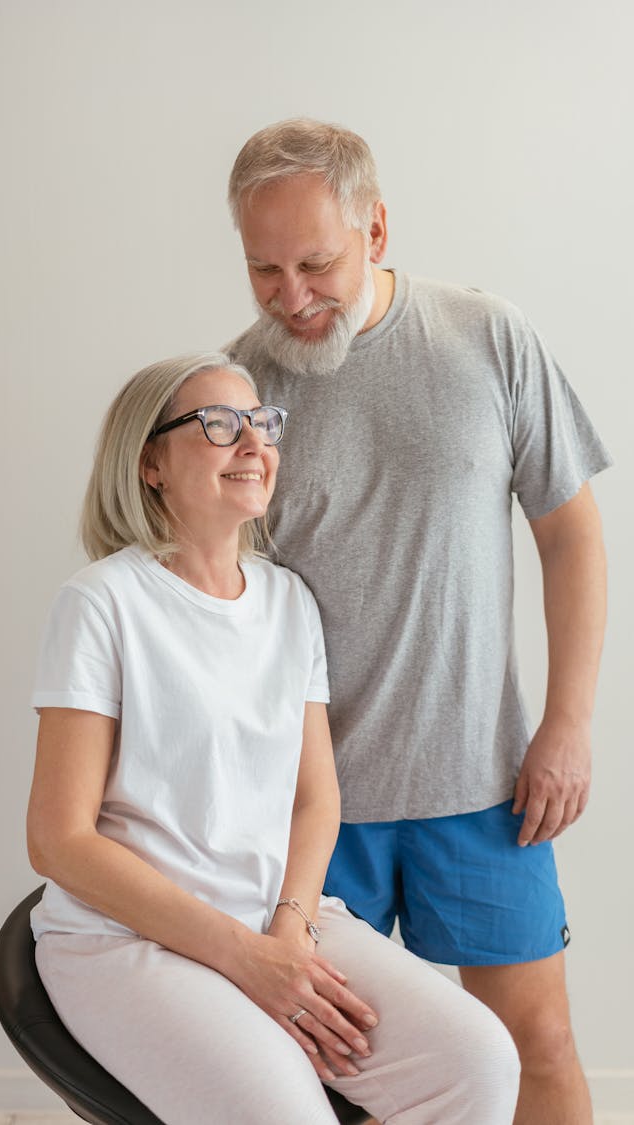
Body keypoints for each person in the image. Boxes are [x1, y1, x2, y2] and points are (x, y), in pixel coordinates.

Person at [226, 119, 611, 1125]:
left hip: (484, 789)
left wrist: (566, 726)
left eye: (316, 262)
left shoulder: (485, 336)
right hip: (313, 805)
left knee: (541, 1047)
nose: (292, 298)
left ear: (377, 229)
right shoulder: (238, 394)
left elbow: (571, 536)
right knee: (314, 1076)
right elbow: (212, 601)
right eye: (264, 271)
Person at [26, 351, 520, 1125]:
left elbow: (316, 799)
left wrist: (287, 935)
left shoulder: (288, 602)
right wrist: (243, 957)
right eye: (219, 425)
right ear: (150, 462)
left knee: (478, 1061)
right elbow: (58, 839)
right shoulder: (102, 603)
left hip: (278, 917)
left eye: (263, 423)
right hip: (126, 939)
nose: (253, 442)